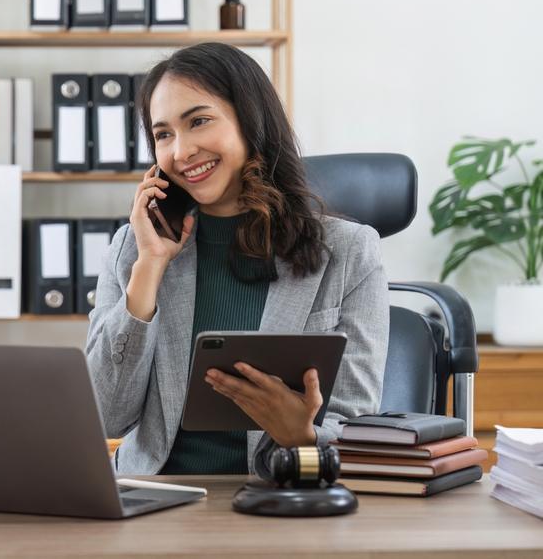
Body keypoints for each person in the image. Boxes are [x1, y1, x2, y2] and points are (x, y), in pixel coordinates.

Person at [85, 42, 389, 476]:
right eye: (163, 134)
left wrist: (301, 435)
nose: (181, 152)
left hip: (279, 494)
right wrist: (149, 267)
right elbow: (104, 417)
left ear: (251, 120)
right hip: (155, 496)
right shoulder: (133, 248)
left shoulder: (349, 251)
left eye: (199, 121)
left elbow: (354, 426)